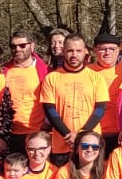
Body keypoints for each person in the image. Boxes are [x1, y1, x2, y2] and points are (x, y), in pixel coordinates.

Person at [40, 34, 109, 162]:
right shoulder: (52, 78)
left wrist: (82, 134)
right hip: (62, 144)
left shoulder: (97, 78)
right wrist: (67, 135)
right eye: (70, 51)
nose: (74, 55)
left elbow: (100, 109)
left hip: (90, 144)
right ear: (63, 51)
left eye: (78, 51)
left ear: (85, 52)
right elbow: (50, 110)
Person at [0, 31, 49, 153]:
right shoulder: (2, 71)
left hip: (37, 132)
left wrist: (46, 125)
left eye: (22, 45)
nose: (17, 49)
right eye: (13, 46)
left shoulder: (46, 71)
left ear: (32, 46)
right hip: (11, 134)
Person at [91, 33, 122, 149]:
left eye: (112, 49)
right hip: (94, 132)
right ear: (95, 50)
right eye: (103, 49)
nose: (108, 52)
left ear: (118, 50)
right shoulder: (87, 71)